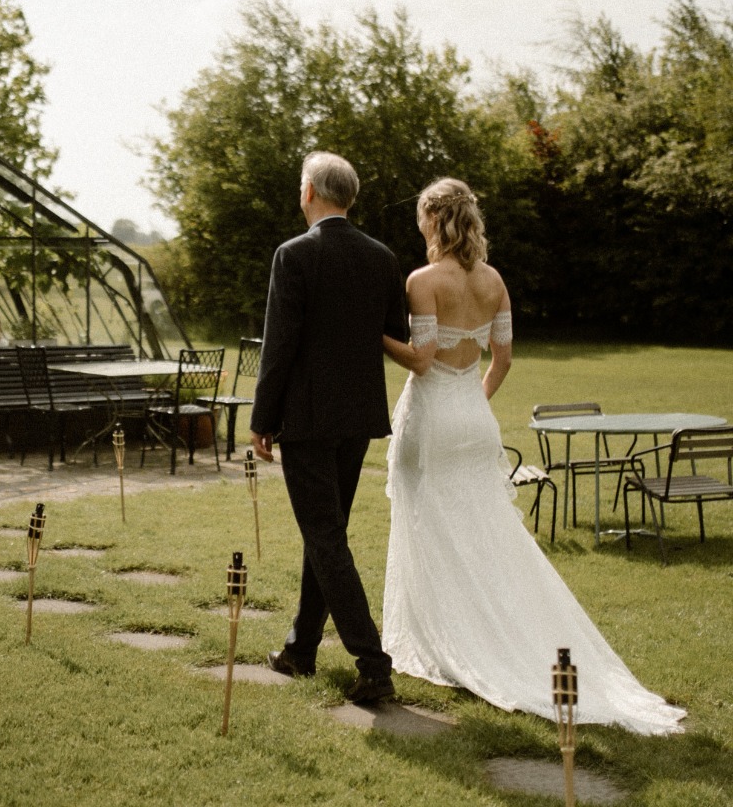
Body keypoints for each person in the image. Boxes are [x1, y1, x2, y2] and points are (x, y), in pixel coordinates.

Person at [380, 179, 684, 734]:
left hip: (435, 421)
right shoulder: (495, 281)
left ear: (435, 220)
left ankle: (451, 641)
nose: (419, 227)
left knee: (430, 526)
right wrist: (474, 402)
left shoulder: (423, 281)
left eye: (423, 217)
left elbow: (422, 361)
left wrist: (375, 336)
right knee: (485, 533)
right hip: (475, 417)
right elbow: (504, 359)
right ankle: (484, 630)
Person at [250, 151, 408, 705]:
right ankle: (301, 650)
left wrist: (261, 421)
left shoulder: (293, 255)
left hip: (308, 419)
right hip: (358, 416)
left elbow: (280, 346)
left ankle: (373, 663)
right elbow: (393, 332)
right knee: (327, 534)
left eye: (300, 186)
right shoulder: (383, 257)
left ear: (311, 192)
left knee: (325, 537)